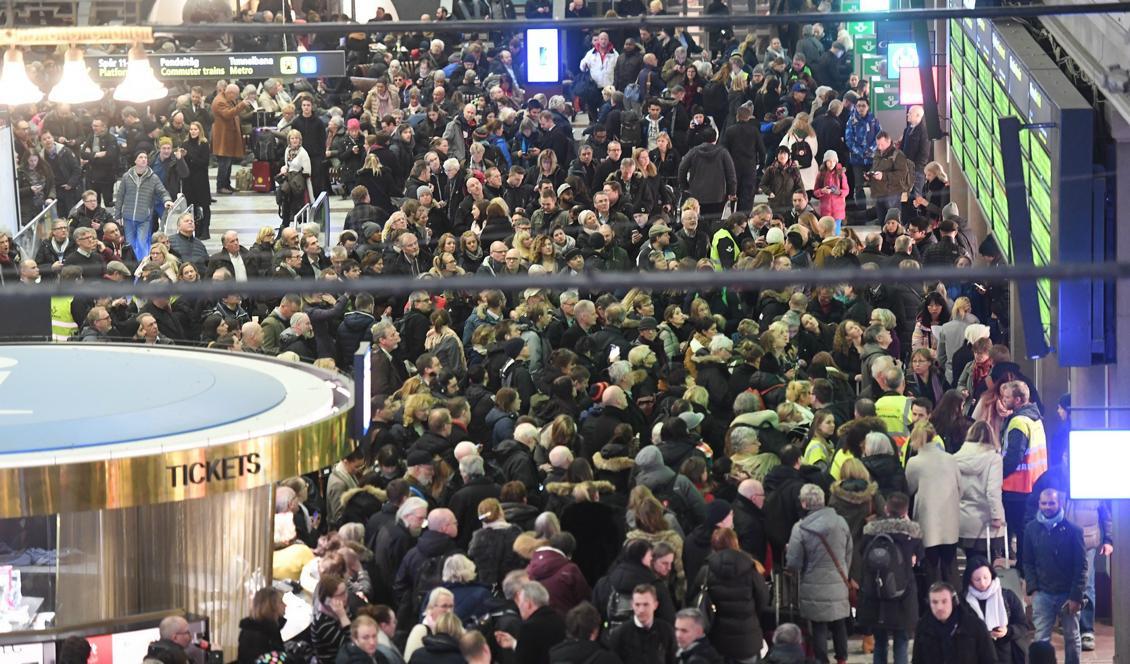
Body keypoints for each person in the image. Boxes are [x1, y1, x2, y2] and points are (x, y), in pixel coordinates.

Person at [786, 483, 851, 664]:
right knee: (839, 624)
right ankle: (842, 660)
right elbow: (848, 552)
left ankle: (822, 661)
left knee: (819, 626)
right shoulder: (841, 522)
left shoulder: (800, 529)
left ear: (804, 504)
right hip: (839, 580)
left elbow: (794, 563)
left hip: (812, 584)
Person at [856, 492, 923, 664]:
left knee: (880, 643)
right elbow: (921, 556)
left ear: (886, 508)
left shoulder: (871, 531)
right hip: (902, 595)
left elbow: (862, 552)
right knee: (901, 642)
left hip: (876, 595)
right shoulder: (911, 533)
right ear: (905, 511)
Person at [1023, 488, 1086, 664]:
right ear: (1039, 504)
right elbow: (1027, 562)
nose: (1048, 506)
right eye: (1044, 503)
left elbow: (1081, 566)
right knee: (1041, 638)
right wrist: (1033, 589)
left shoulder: (1074, 531)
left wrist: (1076, 596)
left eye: (1052, 502)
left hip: (1068, 594)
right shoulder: (1030, 529)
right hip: (1042, 594)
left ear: (1059, 503)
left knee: (1072, 638)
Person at [905, 422, 961, 588]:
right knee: (950, 565)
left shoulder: (915, 462)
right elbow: (960, 488)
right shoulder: (951, 459)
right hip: (950, 520)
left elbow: (909, 488)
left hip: (927, 521)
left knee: (931, 566)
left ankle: (934, 603)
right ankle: (955, 601)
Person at [954, 421, 1005, 560]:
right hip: (986, 519)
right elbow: (992, 490)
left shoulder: (956, 459)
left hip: (964, 518)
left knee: (971, 563)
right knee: (986, 568)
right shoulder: (994, 459)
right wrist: (997, 516)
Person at [962, 557, 1029, 664]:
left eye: (986, 577)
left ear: (992, 575)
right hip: (976, 654)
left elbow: (1023, 626)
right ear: (970, 580)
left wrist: (1007, 631)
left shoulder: (1007, 596)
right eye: (977, 579)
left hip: (1004, 654)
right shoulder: (963, 601)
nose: (983, 583)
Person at [911, 582, 997, 664]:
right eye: (934, 602)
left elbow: (989, 660)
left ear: (954, 602)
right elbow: (917, 660)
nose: (939, 607)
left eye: (944, 601)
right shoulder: (923, 627)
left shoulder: (975, 626)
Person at [606, 583, 677, 664]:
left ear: (655, 605)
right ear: (632, 605)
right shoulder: (619, 634)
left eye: (646, 604)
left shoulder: (666, 630)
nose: (641, 610)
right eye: (637, 605)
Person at [211, 83, 250, 194]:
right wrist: (241, 105)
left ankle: (227, 185)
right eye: (236, 95)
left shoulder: (229, 98)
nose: (237, 97)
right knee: (224, 163)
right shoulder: (219, 101)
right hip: (222, 138)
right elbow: (228, 114)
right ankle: (220, 186)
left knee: (228, 163)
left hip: (229, 137)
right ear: (231, 93)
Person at [238, 586, 286, 664]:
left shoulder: (269, 629)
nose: (285, 605)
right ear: (271, 605)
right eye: (281, 602)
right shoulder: (256, 633)